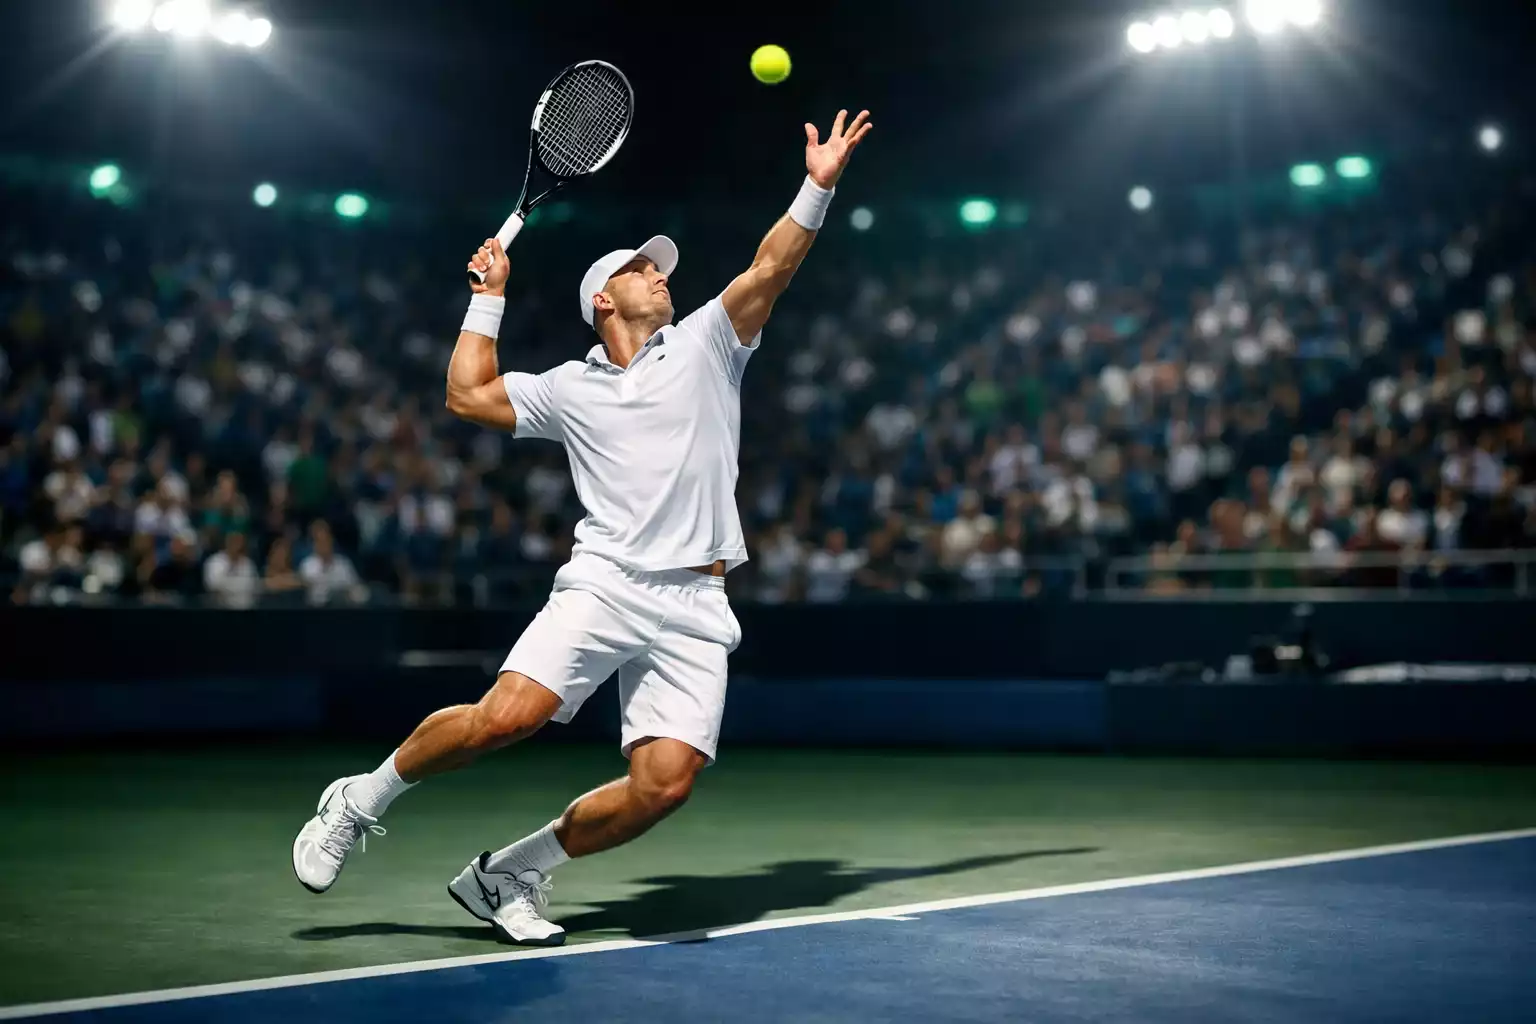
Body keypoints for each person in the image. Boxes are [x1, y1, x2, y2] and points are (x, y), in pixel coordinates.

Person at [292, 109, 873, 946]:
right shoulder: (569, 386)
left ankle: (509, 874)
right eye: (641, 267)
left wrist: (817, 187)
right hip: (606, 580)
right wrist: (486, 301)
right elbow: (468, 395)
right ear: (604, 298)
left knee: (664, 785)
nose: (658, 274)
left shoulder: (710, 341)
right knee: (507, 717)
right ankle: (361, 798)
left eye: (660, 266)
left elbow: (771, 265)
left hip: (698, 598)